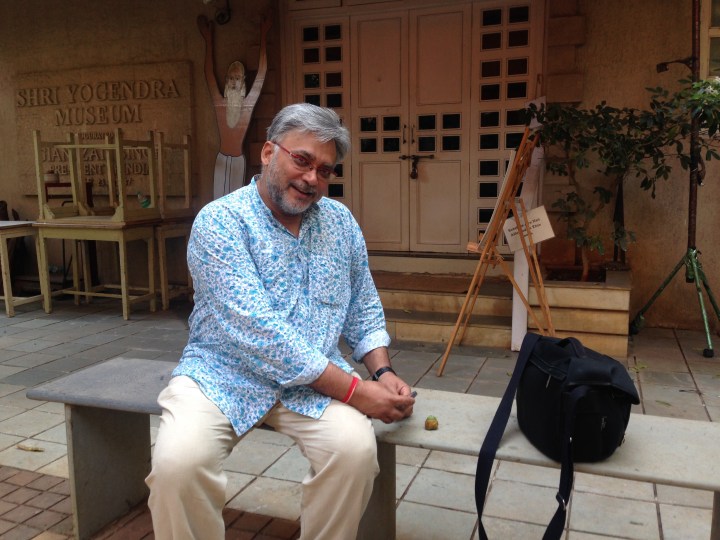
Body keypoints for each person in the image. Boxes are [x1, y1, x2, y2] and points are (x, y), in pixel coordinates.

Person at [146, 103, 416, 540]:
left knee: (353, 452)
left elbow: (363, 306)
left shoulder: (340, 223)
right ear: (269, 153)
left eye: (324, 171)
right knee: (179, 465)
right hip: (222, 374)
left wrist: (382, 373)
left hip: (313, 385)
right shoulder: (220, 222)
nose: (312, 179)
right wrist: (356, 392)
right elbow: (259, 333)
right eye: (302, 160)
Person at [197, 12, 272, 199]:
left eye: (237, 78)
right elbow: (208, 75)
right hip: (221, 158)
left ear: (243, 82)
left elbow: (262, 73)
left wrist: (264, 35)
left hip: (238, 161)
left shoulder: (247, 104)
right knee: (217, 201)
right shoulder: (220, 102)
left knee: (234, 203)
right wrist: (208, 40)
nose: (233, 81)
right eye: (230, 77)